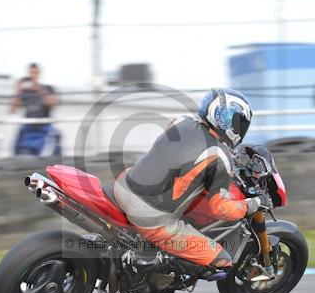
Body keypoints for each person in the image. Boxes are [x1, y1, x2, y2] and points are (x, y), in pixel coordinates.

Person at [113, 88, 273, 278]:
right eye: (239, 122)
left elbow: (179, 152)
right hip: (149, 216)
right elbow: (222, 210)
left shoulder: (181, 121)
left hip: (124, 185)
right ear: (227, 120)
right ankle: (151, 274)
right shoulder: (219, 156)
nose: (241, 128)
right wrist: (253, 203)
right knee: (223, 262)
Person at [10, 63, 62, 156]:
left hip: (44, 127)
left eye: (35, 73)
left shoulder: (47, 89)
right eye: (31, 73)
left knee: (55, 140)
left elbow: (53, 105)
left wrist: (39, 89)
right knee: (17, 146)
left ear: (39, 74)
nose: (33, 75)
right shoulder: (25, 92)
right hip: (28, 128)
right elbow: (12, 110)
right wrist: (18, 90)